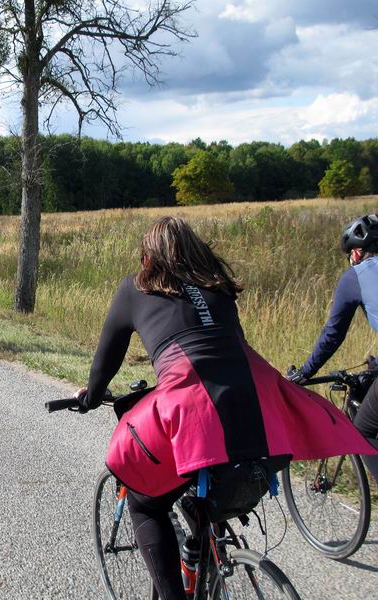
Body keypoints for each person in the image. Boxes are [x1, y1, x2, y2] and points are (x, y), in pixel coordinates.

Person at [75, 216, 375, 600]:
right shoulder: (219, 290)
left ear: (148, 258)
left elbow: (105, 363)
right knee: (215, 481)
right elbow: (228, 355)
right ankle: (206, 544)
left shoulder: (135, 288)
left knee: (144, 502)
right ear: (197, 252)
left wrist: (89, 397)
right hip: (261, 410)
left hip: (193, 406)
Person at [288, 214, 378, 483]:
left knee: (364, 429)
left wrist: (305, 371)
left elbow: (333, 334)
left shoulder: (356, 276)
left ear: (358, 252)